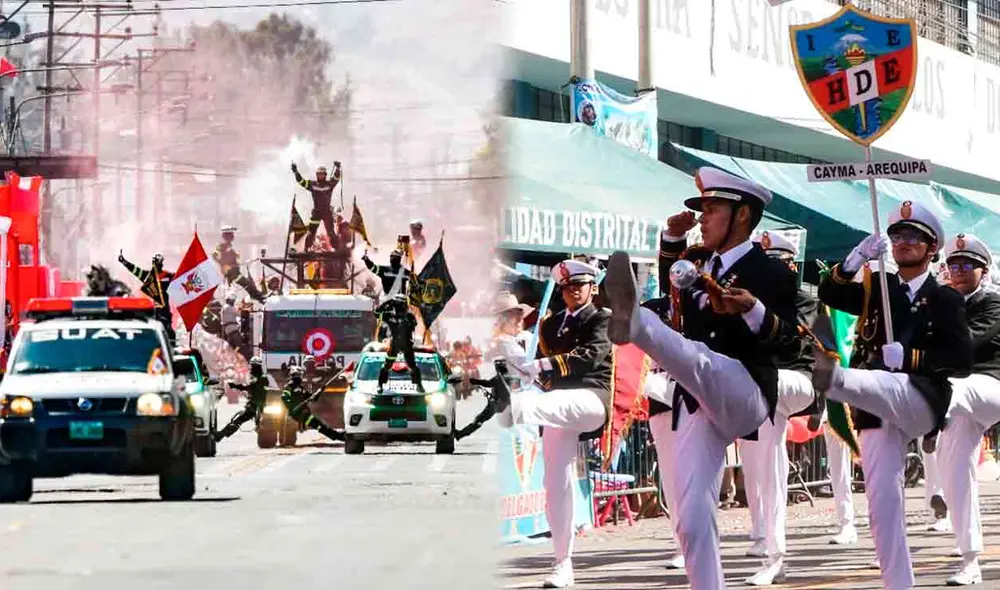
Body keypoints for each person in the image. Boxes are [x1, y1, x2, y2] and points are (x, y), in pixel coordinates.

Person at [602, 167, 802, 590]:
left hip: (744, 390)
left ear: (742, 215)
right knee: (690, 520)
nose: (703, 217)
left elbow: (791, 345)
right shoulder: (694, 263)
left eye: (712, 209)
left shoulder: (771, 273)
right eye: (703, 209)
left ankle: (633, 320)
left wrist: (753, 311)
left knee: (698, 358)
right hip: (695, 401)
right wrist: (673, 242)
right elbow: (676, 301)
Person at [811, 200, 973, 590]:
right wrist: (852, 262)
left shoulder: (946, 298)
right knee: (882, 506)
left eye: (913, 238)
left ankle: (834, 379)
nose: (902, 243)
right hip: (875, 408)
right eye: (897, 236)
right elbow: (831, 294)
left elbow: (962, 359)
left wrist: (914, 358)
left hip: (920, 398)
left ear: (931, 248)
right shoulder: (875, 287)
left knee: (890, 382)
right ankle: (898, 584)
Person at [493, 258, 612, 588]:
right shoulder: (549, 324)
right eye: (566, 287)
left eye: (579, 285)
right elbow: (543, 375)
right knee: (555, 483)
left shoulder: (602, 318)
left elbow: (590, 355)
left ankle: (512, 408)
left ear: (592, 287)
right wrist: (523, 366)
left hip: (591, 398)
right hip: (554, 406)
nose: (572, 291)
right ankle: (563, 563)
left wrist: (541, 366)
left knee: (538, 404)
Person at [735, 230, 821, 585]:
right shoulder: (747, 298)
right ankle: (761, 534)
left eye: (774, 264)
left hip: (795, 380)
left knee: (768, 464)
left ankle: (776, 553)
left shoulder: (801, 298)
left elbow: (792, 338)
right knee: (755, 460)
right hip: (758, 383)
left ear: (789, 265)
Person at [935, 233, 1000, 586]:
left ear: (983, 271)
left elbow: (965, 345)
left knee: (946, 390)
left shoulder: (992, 303)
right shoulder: (941, 301)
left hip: (991, 386)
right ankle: (970, 559)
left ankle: (921, 418)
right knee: (955, 474)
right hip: (958, 400)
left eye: (967, 266)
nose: (958, 272)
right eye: (952, 265)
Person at [454, 292, 532, 440]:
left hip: (526, 390)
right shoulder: (503, 341)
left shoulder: (528, 337)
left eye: (520, 314)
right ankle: (461, 434)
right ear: (503, 320)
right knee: (484, 417)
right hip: (507, 394)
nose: (520, 320)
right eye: (514, 316)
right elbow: (521, 362)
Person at [119, 250, 176, 344]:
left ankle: (171, 348)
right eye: (155, 262)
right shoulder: (148, 276)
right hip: (154, 310)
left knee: (168, 332)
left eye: (159, 263)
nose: (157, 265)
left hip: (165, 310)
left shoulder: (168, 275)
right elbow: (135, 270)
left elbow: (182, 277)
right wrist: (124, 262)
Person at [282, 366, 345, 442]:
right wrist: (292, 407)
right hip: (297, 414)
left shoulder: (301, 388)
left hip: (304, 413)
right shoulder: (289, 387)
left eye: (300, 375)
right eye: (297, 375)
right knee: (320, 426)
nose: (299, 377)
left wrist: (319, 392)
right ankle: (339, 436)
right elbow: (284, 398)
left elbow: (312, 398)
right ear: (292, 375)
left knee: (320, 426)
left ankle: (338, 436)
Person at [375, 296, 423, 394]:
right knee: (387, 365)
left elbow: (414, 325)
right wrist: (388, 302)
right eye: (398, 305)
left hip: (407, 344)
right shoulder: (389, 315)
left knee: (412, 365)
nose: (400, 308)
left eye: (401, 305)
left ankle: (419, 385)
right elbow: (376, 313)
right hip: (394, 344)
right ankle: (380, 385)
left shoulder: (410, 317)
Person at [291, 161, 342, 250]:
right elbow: (301, 181)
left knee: (330, 231)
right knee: (311, 231)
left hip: (327, 212)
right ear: (316, 175)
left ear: (325, 175)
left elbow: (336, 178)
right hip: (317, 212)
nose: (320, 176)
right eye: (319, 174)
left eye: (322, 174)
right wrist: (296, 172)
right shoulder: (312, 185)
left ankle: (336, 249)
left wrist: (337, 168)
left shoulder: (329, 184)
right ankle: (307, 249)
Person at [215, 356, 268, 441]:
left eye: (254, 366)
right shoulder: (260, 377)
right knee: (238, 420)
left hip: (255, 406)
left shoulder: (259, 377)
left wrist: (235, 385)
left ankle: (220, 435)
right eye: (252, 366)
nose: (252, 368)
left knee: (237, 421)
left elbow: (248, 387)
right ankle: (220, 435)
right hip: (256, 405)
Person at [212, 224, 265, 303]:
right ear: (227, 236)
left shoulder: (229, 247)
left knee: (248, 284)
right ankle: (259, 297)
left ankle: (258, 296)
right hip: (232, 273)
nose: (233, 236)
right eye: (231, 235)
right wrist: (224, 264)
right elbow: (214, 255)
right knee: (248, 284)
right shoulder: (222, 246)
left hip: (235, 272)